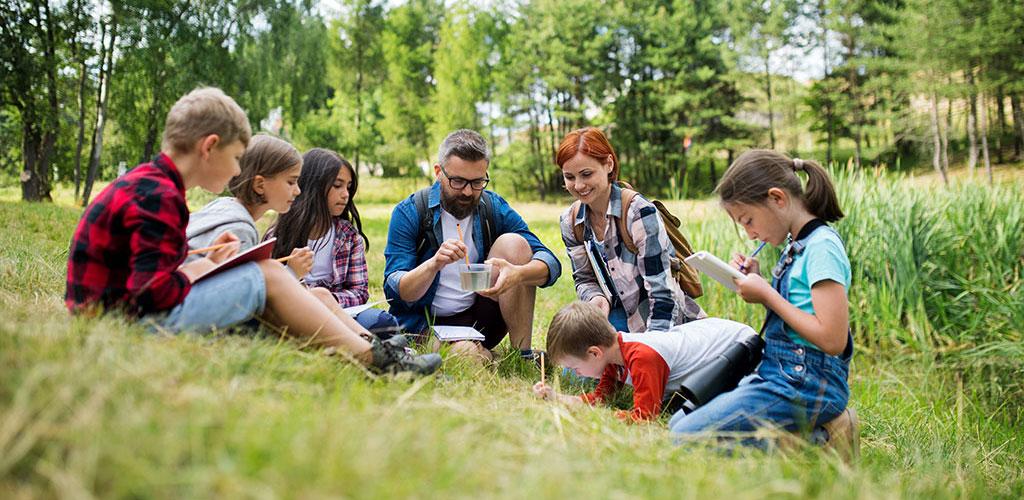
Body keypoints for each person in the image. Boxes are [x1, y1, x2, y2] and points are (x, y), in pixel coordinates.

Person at [65, 87, 440, 376]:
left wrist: (207, 262)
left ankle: (372, 352)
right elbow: (152, 295)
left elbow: (147, 274)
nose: (235, 173)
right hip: (122, 324)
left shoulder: (151, 184)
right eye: (235, 159)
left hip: (114, 313)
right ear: (209, 147)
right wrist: (203, 270)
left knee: (274, 274)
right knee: (268, 274)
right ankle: (372, 358)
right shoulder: (160, 196)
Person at [668, 150, 858, 457]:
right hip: (780, 372)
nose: (750, 233)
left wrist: (768, 295)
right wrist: (761, 284)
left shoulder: (822, 248)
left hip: (807, 384)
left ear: (777, 199)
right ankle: (806, 433)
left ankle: (824, 439)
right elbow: (799, 310)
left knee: (687, 439)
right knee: (678, 422)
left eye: (748, 220)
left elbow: (833, 339)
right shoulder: (796, 245)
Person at [383, 129, 562, 362]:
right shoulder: (410, 212)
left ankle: (522, 355)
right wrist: (434, 264)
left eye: (477, 182)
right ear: (439, 172)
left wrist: (518, 273)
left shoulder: (491, 206)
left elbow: (549, 261)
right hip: (427, 325)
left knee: (515, 243)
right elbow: (397, 292)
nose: (467, 192)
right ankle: (484, 357)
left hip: (481, 318)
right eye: (457, 181)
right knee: (465, 357)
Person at [556, 127, 704, 333]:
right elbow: (584, 278)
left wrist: (654, 347)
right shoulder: (570, 221)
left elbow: (663, 293)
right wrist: (596, 297)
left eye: (586, 174)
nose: (578, 185)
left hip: (661, 319)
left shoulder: (639, 212)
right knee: (574, 363)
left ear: (608, 164)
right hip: (616, 315)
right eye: (569, 177)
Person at [531, 301, 757, 422]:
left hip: (740, 350)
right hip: (716, 339)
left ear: (594, 353)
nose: (577, 373)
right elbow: (600, 400)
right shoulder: (614, 355)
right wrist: (556, 397)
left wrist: (603, 419)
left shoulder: (643, 358)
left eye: (574, 367)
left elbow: (644, 417)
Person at [268, 148, 401, 339]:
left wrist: (328, 300)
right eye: (337, 186)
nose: (345, 194)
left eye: (348, 187)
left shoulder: (347, 236)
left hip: (342, 313)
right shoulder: (279, 236)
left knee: (382, 322)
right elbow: (271, 293)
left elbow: (359, 292)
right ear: (314, 186)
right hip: (295, 312)